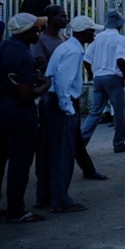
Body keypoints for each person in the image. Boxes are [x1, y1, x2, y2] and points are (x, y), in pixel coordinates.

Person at [0, 13, 50, 223]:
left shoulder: (0, 48)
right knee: (19, 161)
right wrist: (45, 84)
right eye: (36, 29)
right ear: (25, 32)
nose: (39, 32)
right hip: (19, 112)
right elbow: (26, 94)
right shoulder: (23, 55)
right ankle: (16, 210)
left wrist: (31, 76)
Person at [31, 5, 107, 186]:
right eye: (62, 16)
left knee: (72, 140)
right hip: (59, 96)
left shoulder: (65, 40)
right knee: (56, 146)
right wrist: (67, 107)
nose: (65, 19)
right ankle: (52, 187)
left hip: (59, 95)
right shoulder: (47, 41)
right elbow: (59, 79)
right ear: (51, 18)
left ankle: (85, 169)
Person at [44, 15, 104, 213]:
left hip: (54, 101)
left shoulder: (67, 46)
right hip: (62, 103)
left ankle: (49, 196)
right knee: (64, 155)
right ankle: (61, 200)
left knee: (55, 152)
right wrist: (68, 109)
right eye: (91, 31)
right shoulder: (73, 51)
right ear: (83, 32)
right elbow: (63, 82)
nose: (94, 34)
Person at [81, 9, 125, 153]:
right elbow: (120, 59)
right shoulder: (121, 39)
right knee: (119, 111)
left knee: (95, 111)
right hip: (113, 77)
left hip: (98, 77)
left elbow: (86, 59)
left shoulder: (98, 38)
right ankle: (119, 143)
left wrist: (91, 73)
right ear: (119, 25)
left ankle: (82, 141)